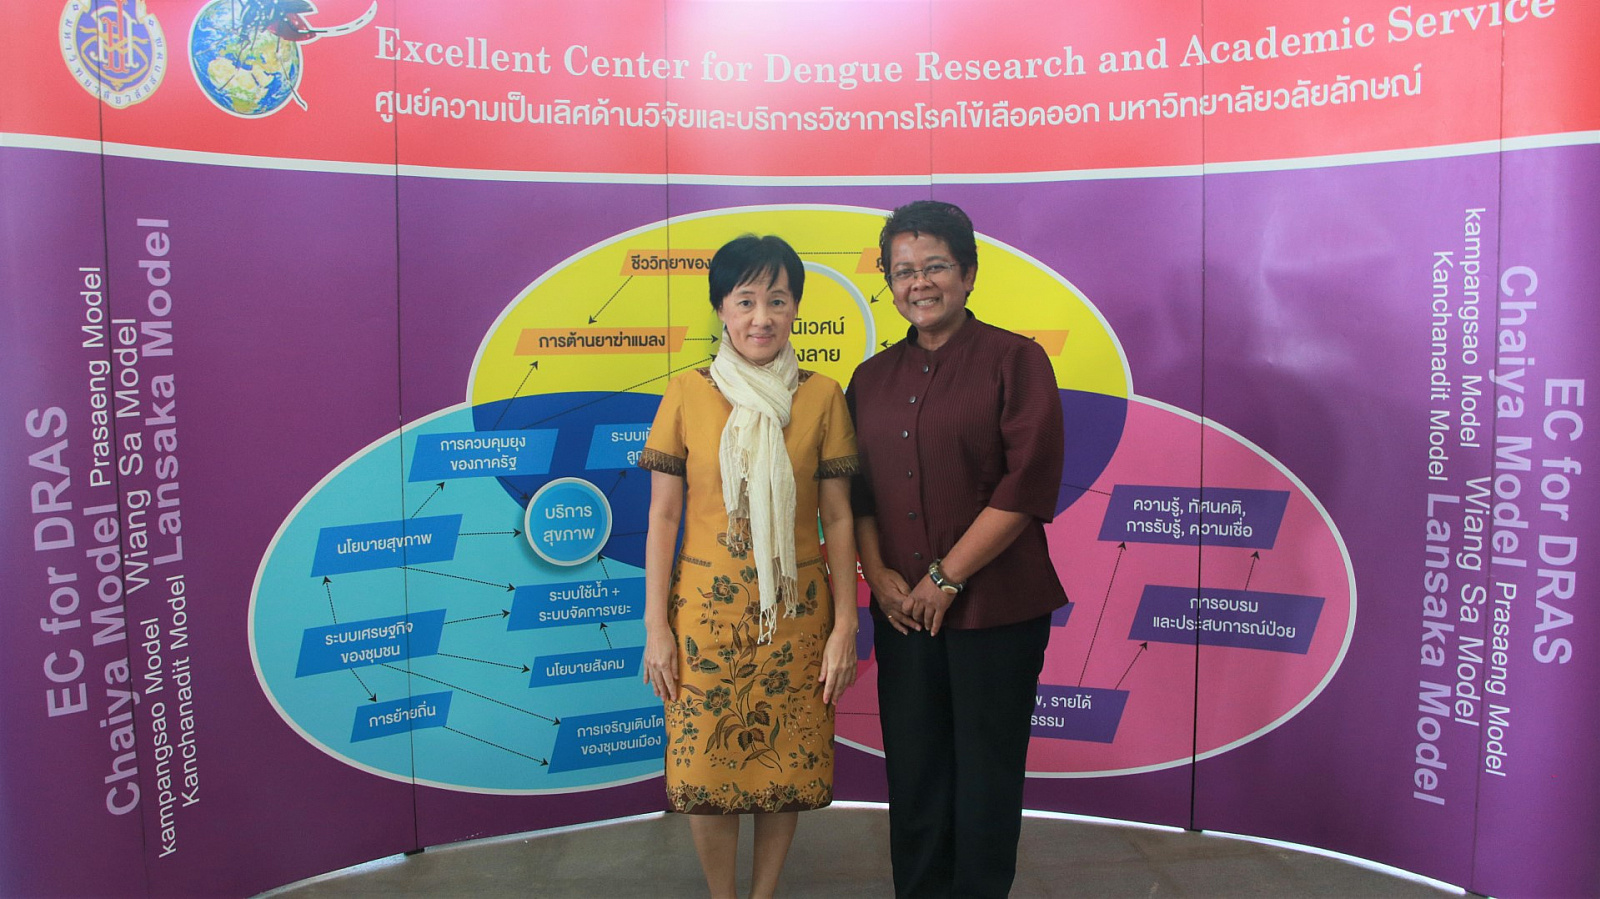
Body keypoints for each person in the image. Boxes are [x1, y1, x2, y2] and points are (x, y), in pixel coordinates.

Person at [847, 200, 1068, 898]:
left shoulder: (1016, 360)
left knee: (985, 779)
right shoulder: (869, 380)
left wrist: (945, 578)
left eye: (936, 266)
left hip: (997, 611)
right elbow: (857, 494)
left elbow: (1026, 486)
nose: (919, 283)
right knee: (914, 776)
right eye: (903, 270)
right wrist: (878, 574)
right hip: (902, 615)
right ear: (889, 282)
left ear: (968, 274)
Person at [638, 234, 861, 899]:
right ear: (721, 309)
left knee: (783, 764)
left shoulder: (823, 396)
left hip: (795, 618)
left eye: (778, 300)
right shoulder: (686, 392)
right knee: (707, 769)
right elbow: (663, 518)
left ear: (796, 308)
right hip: (704, 619)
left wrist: (845, 624)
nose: (761, 317)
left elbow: (839, 518)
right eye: (746, 300)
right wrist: (656, 626)